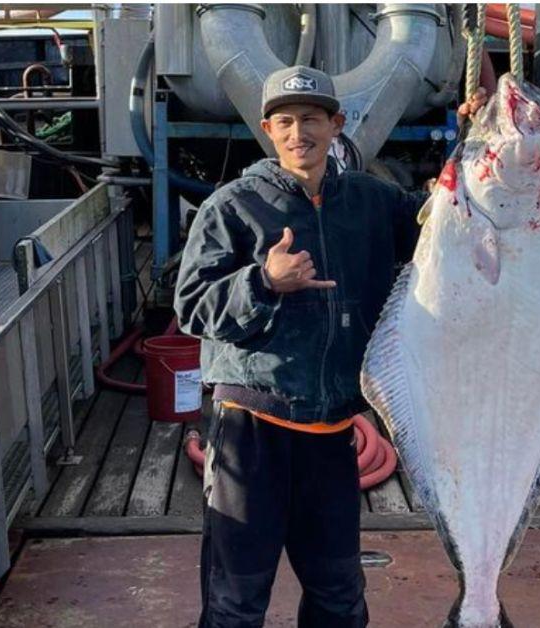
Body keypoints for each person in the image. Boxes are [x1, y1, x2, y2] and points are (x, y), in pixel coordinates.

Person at [175, 65, 487, 627]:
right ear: (268, 130)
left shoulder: (373, 201)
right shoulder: (232, 205)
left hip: (331, 435)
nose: (301, 133)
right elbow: (193, 308)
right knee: (235, 600)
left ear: (336, 125)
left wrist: (474, 144)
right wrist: (263, 282)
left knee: (340, 597)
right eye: (287, 121)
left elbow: (447, 227)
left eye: (313, 119)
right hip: (251, 429)